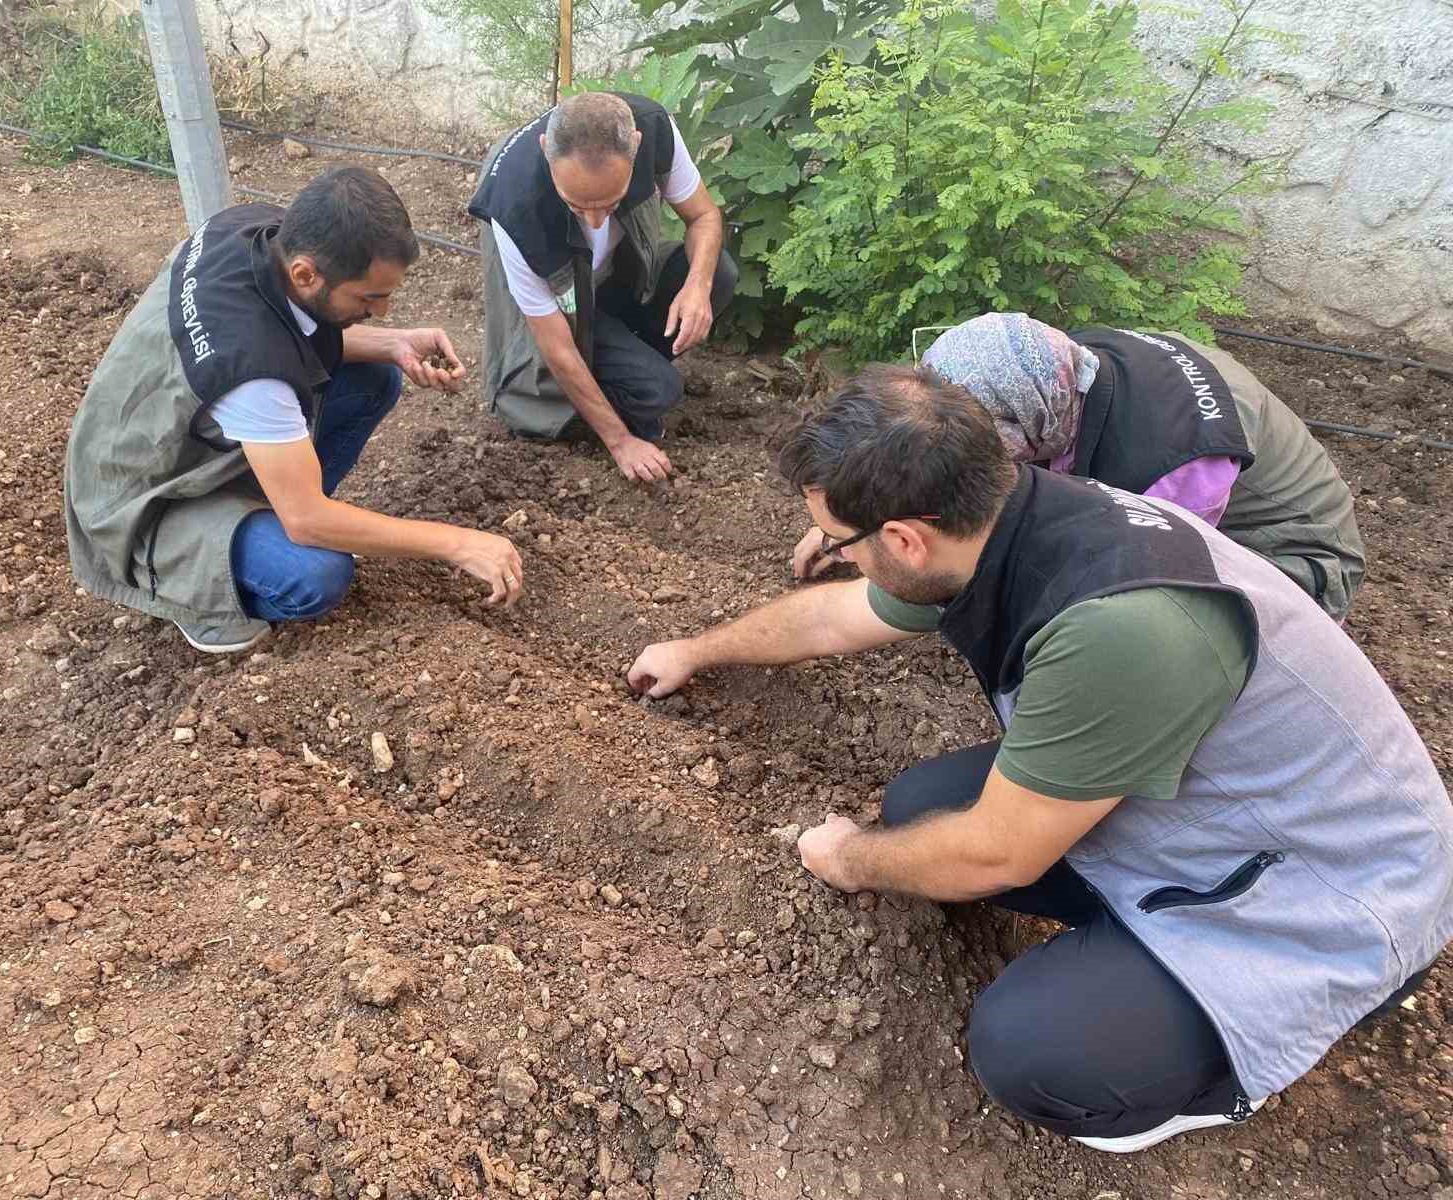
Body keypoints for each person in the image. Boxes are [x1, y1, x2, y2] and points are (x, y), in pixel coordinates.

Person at [628, 365, 1453, 1152]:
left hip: (1332, 894)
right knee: (924, 808)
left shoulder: (1116, 625)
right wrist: (698, 650)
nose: (836, 553)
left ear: (907, 540)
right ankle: (1126, 947)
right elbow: (833, 619)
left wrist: (847, 858)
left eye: (842, 540)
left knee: (1030, 1051)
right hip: (1218, 810)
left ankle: (1224, 1069)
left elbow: (995, 852)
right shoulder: (1010, 519)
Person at [65, 167, 524, 654]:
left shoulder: (252, 231)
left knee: (374, 376)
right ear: (306, 273)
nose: (384, 310)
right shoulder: (250, 368)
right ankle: (197, 601)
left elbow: (286, 331)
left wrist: (393, 344)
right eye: (370, 297)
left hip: (160, 439)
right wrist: (458, 543)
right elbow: (306, 519)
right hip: (140, 505)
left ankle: (263, 512)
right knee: (315, 574)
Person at [792, 314, 1366, 619]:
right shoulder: (1059, 367)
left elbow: (1155, 576)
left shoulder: (1178, 466)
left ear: (1024, 429)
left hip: (1295, 563)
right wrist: (854, 515)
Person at [468, 90, 738, 483]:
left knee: (721, 273)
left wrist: (697, 286)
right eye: (577, 207)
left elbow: (704, 216)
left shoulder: (652, 127)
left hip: (617, 279)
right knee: (657, 390)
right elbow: (556, 344)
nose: (595, 224)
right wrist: (620, 442)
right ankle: (614, 389)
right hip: (568, 307)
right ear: (546, 150)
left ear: (636, 147)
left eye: (610, 204)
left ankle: (628, 366)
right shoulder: (514, 204)